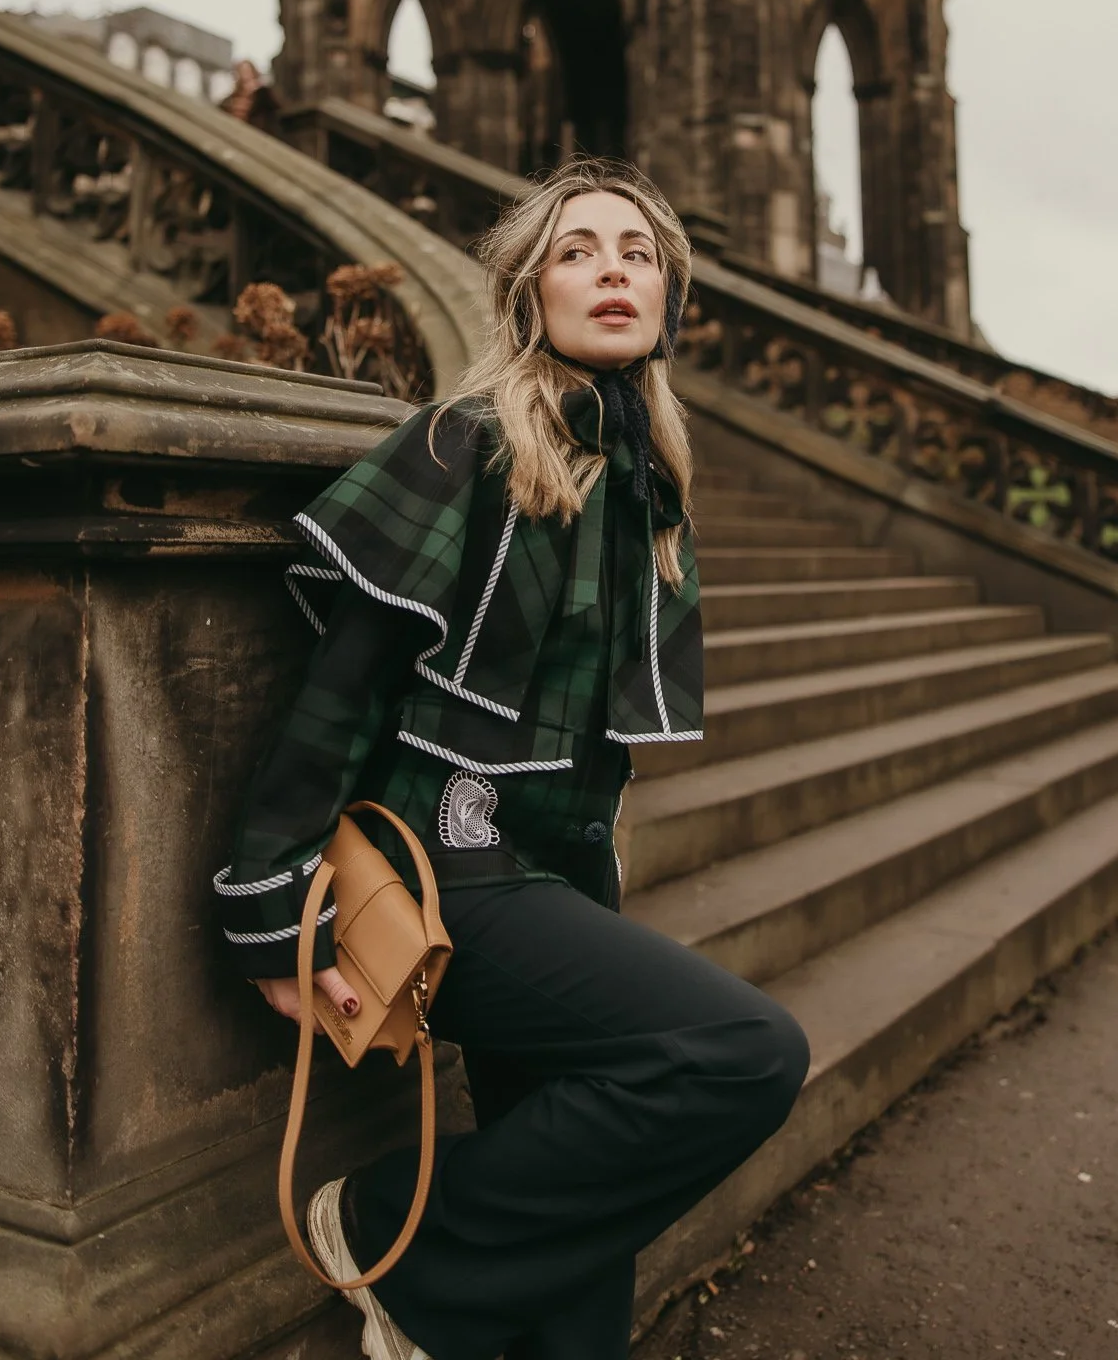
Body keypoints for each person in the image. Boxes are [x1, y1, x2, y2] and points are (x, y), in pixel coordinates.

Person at [214, 158, 809, 1360]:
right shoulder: (467, 442)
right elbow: (342, 686)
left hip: (560, 873)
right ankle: (389, 1225)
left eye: (638, 254)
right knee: (746, 1051)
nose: (613, 269)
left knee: (584, 1282)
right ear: (530, 288)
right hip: (454, 872)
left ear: (667, 299)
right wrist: (276, 912)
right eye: (580, 248)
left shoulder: (643, 477)